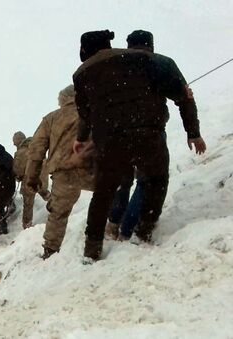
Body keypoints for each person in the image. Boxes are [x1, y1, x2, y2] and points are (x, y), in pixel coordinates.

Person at [73, 29, 206, 260]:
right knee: (155, 180)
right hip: (148, 134)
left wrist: (83, 137)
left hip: (110, 141)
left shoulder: (82, 74)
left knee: (104, 191)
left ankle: (92, 246)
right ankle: (142, 231)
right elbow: (182, 95)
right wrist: (192, 132)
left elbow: (85, 112)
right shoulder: (145, 59)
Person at [25, 84, 96, 259]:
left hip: (64, 172)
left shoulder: (51, 119)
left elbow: (36, 151)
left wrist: (32, 178)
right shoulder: (92, 112)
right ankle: (105, 234)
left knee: (59, 213)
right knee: (106, 197)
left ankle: (50, 251)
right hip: (91, 169)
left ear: (63, 99)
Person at [12, 131, 50, 229]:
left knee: (28, 205)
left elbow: (19, 171)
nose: (13, 144)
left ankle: (27, 227)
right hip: (42, 178)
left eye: (15, 142)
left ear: (18, 141)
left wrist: (18, 176)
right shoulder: (37, 147)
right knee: (44, 192)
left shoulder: (20, 152)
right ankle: (58, 206)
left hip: (30, 181)